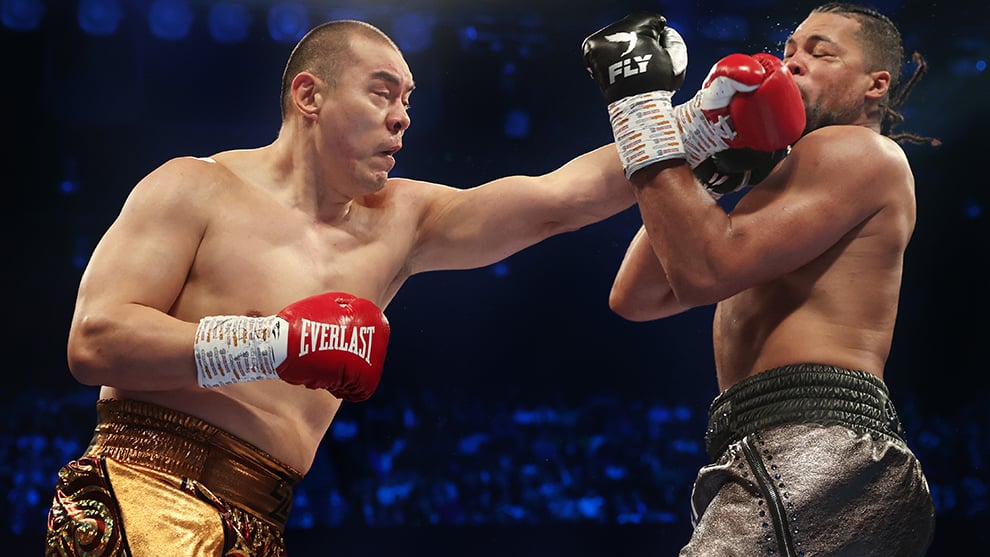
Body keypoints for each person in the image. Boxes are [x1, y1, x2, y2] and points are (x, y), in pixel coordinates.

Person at [45, 20, 636, 556]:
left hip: (261, 522)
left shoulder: (401, 220)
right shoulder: (195, 187)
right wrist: (272, 344)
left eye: (407, 101)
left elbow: (559, 201)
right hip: (144, 491)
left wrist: (690, 125)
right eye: (382, 92)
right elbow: (94, 341)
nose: (402, 116)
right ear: (310, 96)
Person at [582, 4, 935, 555]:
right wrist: (707, 165)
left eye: (820, 53)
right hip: (789, 448)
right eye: (790, 50)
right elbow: (637, 295)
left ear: (876, 84)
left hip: (816, 444)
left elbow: (703, 272)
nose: (793, 63)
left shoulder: (859, 149)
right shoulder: (789, 176)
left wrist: (640, 109)